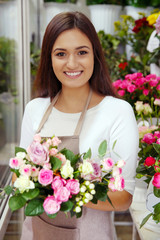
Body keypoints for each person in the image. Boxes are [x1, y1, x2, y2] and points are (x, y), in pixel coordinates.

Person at [20, 11, 139, 240]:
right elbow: (19, 176)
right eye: (61, 53)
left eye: (82, 52)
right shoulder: (35, 109)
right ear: (49, 58)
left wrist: (62, 188)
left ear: (95, 55)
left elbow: (123, 196)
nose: (72, 63)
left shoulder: (117, 112)